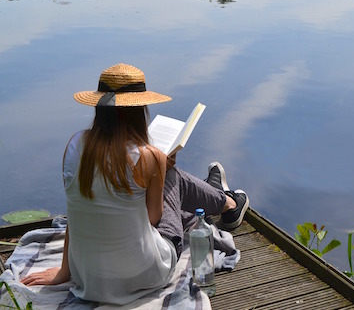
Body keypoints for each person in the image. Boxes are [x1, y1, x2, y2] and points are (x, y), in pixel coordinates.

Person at [20, 63, 249, 305]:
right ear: (138, 110)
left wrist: (64, 272)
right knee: (174, 178)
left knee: (164, 183)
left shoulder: (74, 146)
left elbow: (75, 214)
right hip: (145, 274)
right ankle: (228, 203)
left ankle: (219, 197)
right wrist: (161, 170)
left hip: (88, 278)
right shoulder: (149, 156)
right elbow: (153, 218)